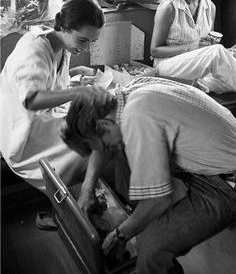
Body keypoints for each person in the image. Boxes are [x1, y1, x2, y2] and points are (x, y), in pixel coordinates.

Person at [62, 76, 236, 274]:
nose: (104, 149)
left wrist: (120, 235)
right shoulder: (122, 98)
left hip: (225, 180)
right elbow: (105, 145)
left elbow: (158, 200)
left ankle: (150, 247)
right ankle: (138, 213)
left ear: (104, 124)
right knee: (120, 148)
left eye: (102, 144)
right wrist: (87, 188)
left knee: (152, 246)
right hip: (212, 153)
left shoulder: (138, 117)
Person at [0, 0, 105, 192]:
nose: (86, 48)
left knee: (97, 127)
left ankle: (70, 200)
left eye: (92, 41)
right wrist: (78, 92)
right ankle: (69, 201)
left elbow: (49, 80)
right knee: (92, 141)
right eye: (82, 40)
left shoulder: (61, 46)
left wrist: (77, 72)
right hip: (22, 133)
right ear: (64, 27)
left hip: (41, 118)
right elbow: (31, 100)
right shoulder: (33, 50)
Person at [150, 0, 236, 94]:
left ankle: (195, 85)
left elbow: (208, 49)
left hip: (195, 68)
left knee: (223, 71)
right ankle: (193, 84)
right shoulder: (169, 7)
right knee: (216, 53)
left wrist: (228, 54)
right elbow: (154, 51)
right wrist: (190, 47)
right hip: (167, 66)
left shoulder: (210, 7)